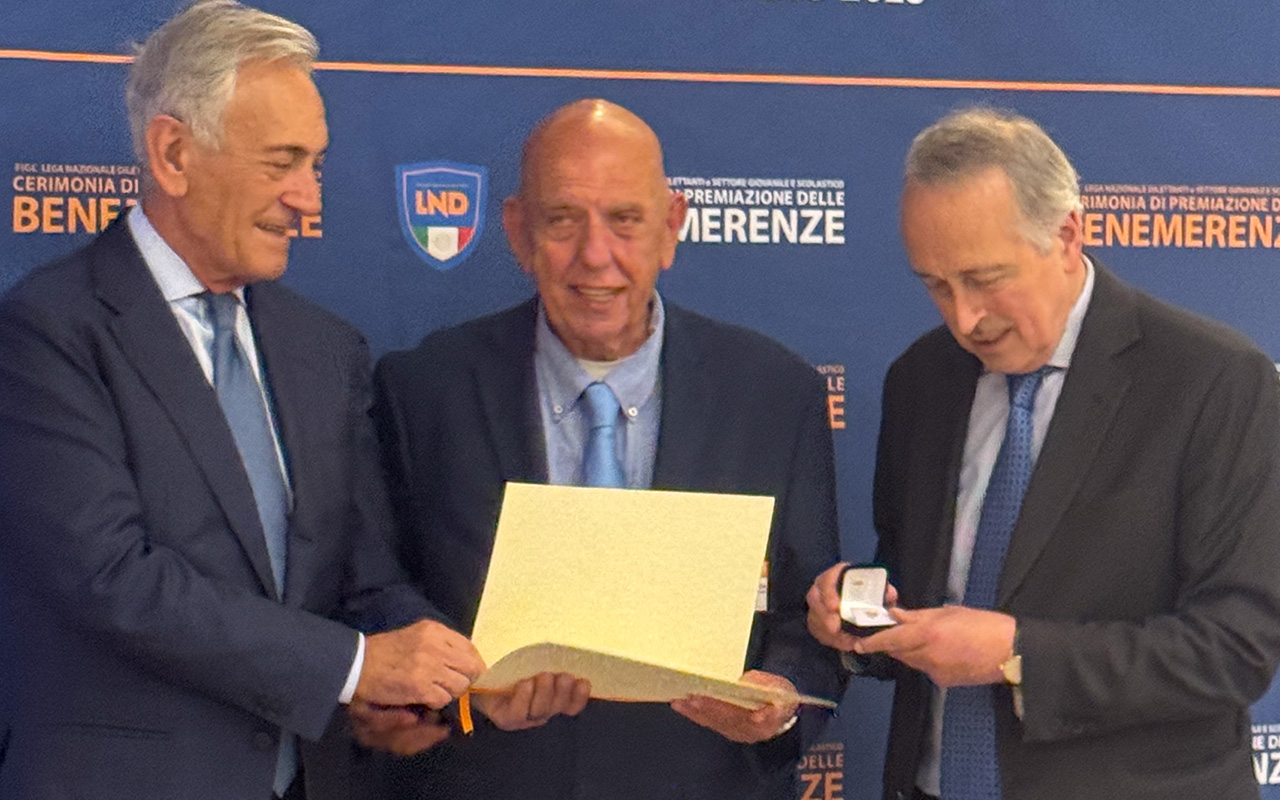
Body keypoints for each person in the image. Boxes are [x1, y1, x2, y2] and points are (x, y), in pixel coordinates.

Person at [0, 3, 484, 798]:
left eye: (315, 165)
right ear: (173, 154)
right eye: (282, 162)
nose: (309, 199)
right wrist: (354, 666)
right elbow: (113, 578)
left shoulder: (326, 349)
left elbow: (361, 578)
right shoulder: (47, 332)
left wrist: (449, 671)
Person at [368, 98, 843, 799]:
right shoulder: (422, 389)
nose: (596, 255)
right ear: (518, 231)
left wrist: (779, 700)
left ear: (671, 228)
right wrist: (466, 692)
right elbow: (377, 591)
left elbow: (812, 617)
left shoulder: (775, 395)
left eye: (625, 220)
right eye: (564, 220)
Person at [806, 106, 1280, 800]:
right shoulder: (922, 379)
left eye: (984, 278)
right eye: (936, 285)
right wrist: (861, 613)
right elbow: (923, 582)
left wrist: (1017, 655)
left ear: (1066, 235)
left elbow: (1235, 648)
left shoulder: (1214, 380)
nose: (964, 317)